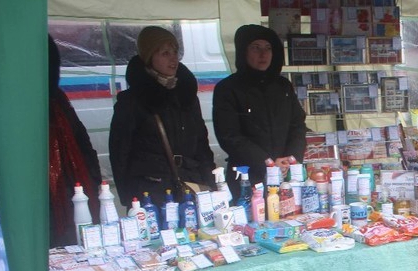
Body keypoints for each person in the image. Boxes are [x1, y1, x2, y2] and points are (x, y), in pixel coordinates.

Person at [108, 26, 216, 207]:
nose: (173, 59)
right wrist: (128, 199)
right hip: (152, 191)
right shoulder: (132, 101)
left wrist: (211, 182)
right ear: (149, 57)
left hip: (190, 183)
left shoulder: (187, 95)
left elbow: (202, 146)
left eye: (175, 52)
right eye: (165, 53)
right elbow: (120, 153)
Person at [213, 24, 307, 198]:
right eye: (256, 48)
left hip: (285, 176)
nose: (263, 54)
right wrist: (266, 162)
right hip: (247, 178)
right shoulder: (228, 89)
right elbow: (229, 135)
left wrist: (291, 158)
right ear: (244, 52)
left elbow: (297, 125)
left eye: (268, 48)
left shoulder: (283, 86)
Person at [49, 35, 102, 247]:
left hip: (70, 189)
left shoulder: (58, 101)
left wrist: (95, 180)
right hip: (50, 200)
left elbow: (83, 145)